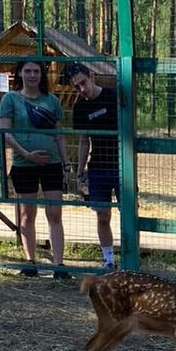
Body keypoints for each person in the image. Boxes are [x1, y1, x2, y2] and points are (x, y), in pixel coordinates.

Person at [0, 58, 70, 278]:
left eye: (36, 71)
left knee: (54, 212)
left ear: (42, 74)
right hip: (24, 164)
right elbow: (6, 133)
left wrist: (66, 162)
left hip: (52, 164)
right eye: (28, 71)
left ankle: (59, 265)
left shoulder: (52, 101)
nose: (32, 75)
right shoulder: (10, 99)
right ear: (20, 73)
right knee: (27, 214)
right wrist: (27, 154)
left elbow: (59, 135)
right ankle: (30, 262)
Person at [68, 62, 120, 273]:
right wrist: (80, 173)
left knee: (128, 212)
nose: (82, 89)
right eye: (77, 87)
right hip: (98, 167)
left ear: (91, 76)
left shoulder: (113, 96)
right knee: (102, 215)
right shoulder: (80, 107)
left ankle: (130, 256)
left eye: (83, 83)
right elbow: (83, 141)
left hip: (121, 166)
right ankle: (108, 259)